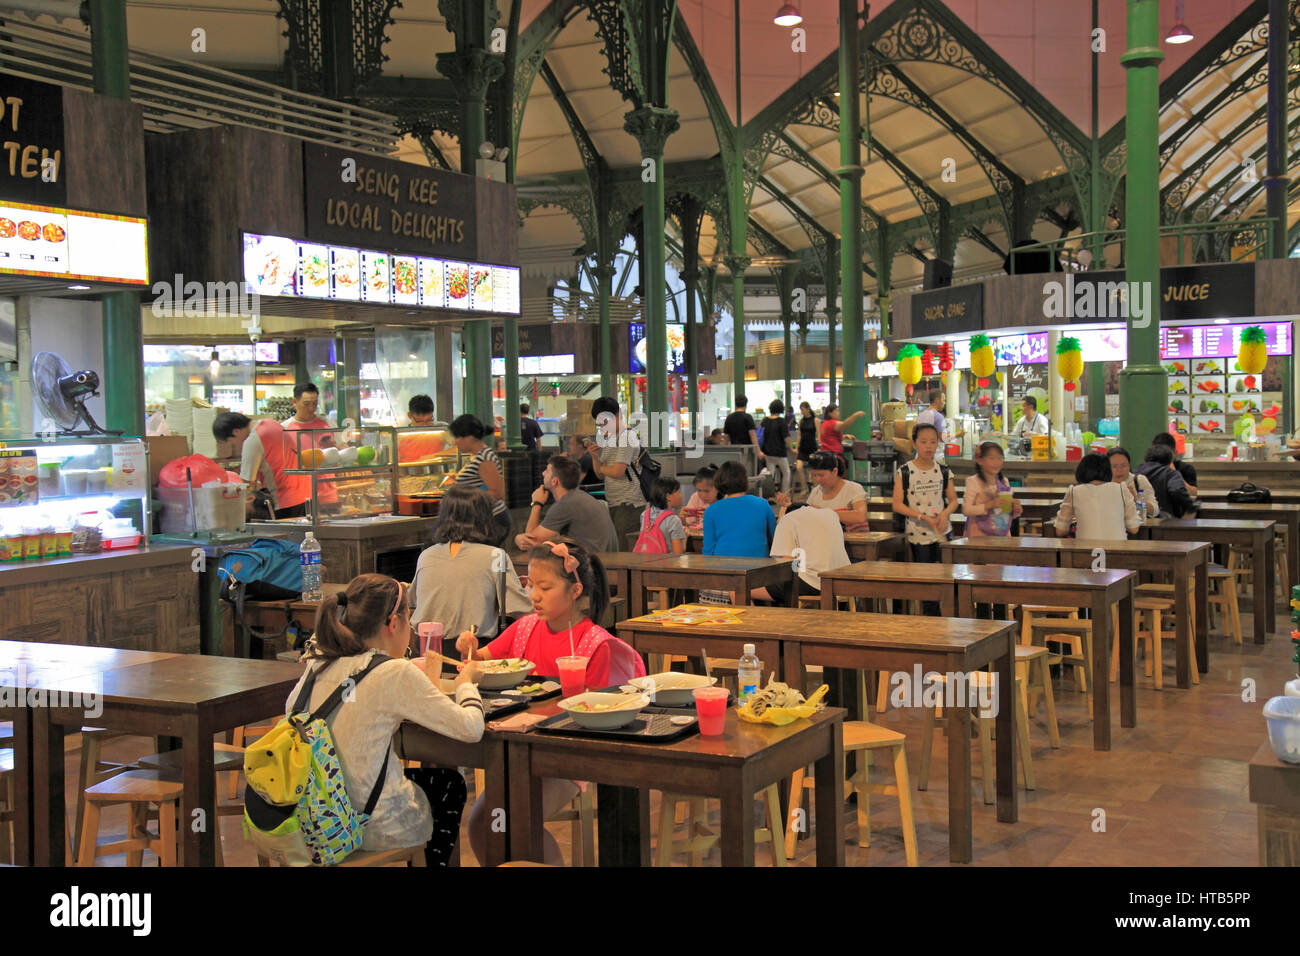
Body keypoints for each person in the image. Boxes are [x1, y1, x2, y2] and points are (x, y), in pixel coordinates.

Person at [459, 539, 645, 865]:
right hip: (517, 753)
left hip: (566, 761)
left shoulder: (595, 644)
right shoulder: (525, 629)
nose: (533, 596)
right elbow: (484, 660)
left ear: (575, 591)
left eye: (545, 587)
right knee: (481, 823)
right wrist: (470, 648)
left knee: (516, 821)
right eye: (530, 584)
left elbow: (604, 716)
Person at [289, 573, 484, 867]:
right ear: (394, 624)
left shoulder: (317, 661)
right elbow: (471, 728)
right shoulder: (392, 672)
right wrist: (467, 682)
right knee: (449, 786)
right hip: (365, 828)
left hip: (307, 821)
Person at [411, 486, 531, 649]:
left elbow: (413, 600)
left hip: (425, 648)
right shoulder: (495, 556)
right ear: (485, 518)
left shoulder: (427, 555)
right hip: (473, 650)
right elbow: (519, 608)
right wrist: (532, 590)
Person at [892, 423, 958, 610]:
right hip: (918, 534)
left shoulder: (943, 471)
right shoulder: (905, 471)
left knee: (948, 576)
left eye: (933, 442)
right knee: (927, 580)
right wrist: (922, 517)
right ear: (914, 444)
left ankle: (950, 617)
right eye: (923, 442)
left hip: (943, 531)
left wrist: (945, 514)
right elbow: (897, 504)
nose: (928, 446)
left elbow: (953, 500)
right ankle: (932, 619)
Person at [516, 454, 619, 555]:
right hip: (604, 561)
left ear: (555, 481)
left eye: (547, 471)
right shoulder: (579, 497)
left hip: (595, 565)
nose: (543, 473)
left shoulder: (566, 504)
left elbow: (531, 543)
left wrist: (537, 504)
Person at [213, 411, 309, 519]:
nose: (236, 447)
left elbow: (246, 483)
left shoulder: (253, 440)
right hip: (304, 496)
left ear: (236, 432)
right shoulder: (272, 423)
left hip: (284, 501)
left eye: (232, 444)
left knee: (284, 535)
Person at [753, 502, 849, 605]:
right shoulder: (831, 514)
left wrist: (781, 519)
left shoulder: (788, 519)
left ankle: (755, 621)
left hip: (814, 583)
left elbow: (787, 564)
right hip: (844, 580)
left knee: (738, 588)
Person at [587, 397, 645, 550]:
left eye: (605, 422)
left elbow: (617, 471)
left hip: (629, 504)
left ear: (617, 415)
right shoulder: (611, 438)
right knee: (617, 548)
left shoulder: (627, 437)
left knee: (625, 551)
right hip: (615, 502)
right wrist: (595, 457)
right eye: (599, 423)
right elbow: (601, 474)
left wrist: (603, 468)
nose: (602, 427)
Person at [449, 413, 512, 545]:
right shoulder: (478, 456)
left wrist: (464, 496)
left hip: (491, 521)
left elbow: (497, 493)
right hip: (484, 520)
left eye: (457, 437)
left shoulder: (485, 458)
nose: (455, 442)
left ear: (469, 437)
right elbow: (481, 483)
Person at [1055, 452, 1139, 538]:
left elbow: (1060, 531)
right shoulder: (1122, 489)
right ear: (1108, 471)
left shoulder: (1074, 491)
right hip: (1117, 549)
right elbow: (1134, 528)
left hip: (1085, 550)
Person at [702, 460, 775, 558]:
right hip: (760, 567)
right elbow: (775, 539)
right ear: (745, 480)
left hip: (723, 567)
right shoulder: (762, 504)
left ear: (719, 481)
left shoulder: (711, 510)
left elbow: (708, 551)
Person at [786, 450, 868, 529]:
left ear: (835, 471)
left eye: (821, 475)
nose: (818, 480)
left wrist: (821, 512)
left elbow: (860, 516)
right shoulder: (816, 492)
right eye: (814, 475)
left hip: (851, 541)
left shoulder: (853, 489)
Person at [962, 442, 1022, 536]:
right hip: (979, 535)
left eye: (999, 458)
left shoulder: (1004, 481)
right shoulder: (973, 481)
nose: (996, 462)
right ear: (980, 460)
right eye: (992, 458)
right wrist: (990, 504)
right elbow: (966, 510)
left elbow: (1005, 512)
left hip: (1002, 534)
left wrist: (1015, 510)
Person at [1137, 444, 1198, 517]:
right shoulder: (1170, 473)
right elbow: (1177, 490)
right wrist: (1190, 506)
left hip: (1139, 518)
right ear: (1170, 461)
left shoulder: (1136, 472)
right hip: (1165, 520)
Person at [636, 475, 687, 555]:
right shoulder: (673, 520)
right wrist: (685, 538)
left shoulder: (644, 515)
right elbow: (678, 554)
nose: (681, 496)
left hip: (646, 563)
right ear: (668, 497)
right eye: (679, 492)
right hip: (666, 565)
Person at [1107, 446, 1158, 517]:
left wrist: (1136, 500)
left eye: (1123, 465)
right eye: (1114, 466)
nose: (1119, 469)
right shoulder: (1104, 483)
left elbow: (1155, 510)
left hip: (1137, 526)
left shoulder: (1139, 480)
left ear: (1129, 465)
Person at [1150, 432, 1198, 496]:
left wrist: (1175, 474)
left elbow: (1193, 493)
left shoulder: (1186, 469)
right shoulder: (1147, 470)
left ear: (1175, 453)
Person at [761, 399, 792, 494]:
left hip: (768, 452)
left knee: (770, 474)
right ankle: (784, 493)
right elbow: (786, 437)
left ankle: (769, 494)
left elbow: (761, 435)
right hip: (780, 452)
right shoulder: (781, 421)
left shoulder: (765, 420)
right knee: (786, 472)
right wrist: (791, 448)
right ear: (781, 409)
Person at [681, 464, 718, 532]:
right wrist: (682, 518)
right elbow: (688, 524)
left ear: (718, 488)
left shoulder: (725, 500)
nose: (702, 495)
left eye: (707, 491)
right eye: (699, 490)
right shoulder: (696, 497)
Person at [723, 395, 763, 459]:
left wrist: (724, 451)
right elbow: (753, 436)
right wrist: (758, 451)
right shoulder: (748, 417)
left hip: (734, 451)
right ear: (746, 404)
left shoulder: (729, 418)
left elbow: (726, 437)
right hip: (747, 451)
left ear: (735, 404)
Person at [915, 388, 949, 457]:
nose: (944, 403)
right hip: (934, 457)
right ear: (937, 400)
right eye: (943, 400)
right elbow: (943, 438)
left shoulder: (921, 415)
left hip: (920, 456)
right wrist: (957, 434)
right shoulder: (939, 417)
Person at [796, 401, 818, 492]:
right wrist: (797, 446)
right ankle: (804, 487)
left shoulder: (815, 420)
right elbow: (799, 434)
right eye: (801, 410)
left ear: (808, 409)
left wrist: (820, 446)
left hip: (812, 447)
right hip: (803, 447)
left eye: (803, 409)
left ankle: (815, 488)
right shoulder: (801, 421)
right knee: (799, 467)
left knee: (813, 470)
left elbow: (819, 434)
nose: (802, 412)